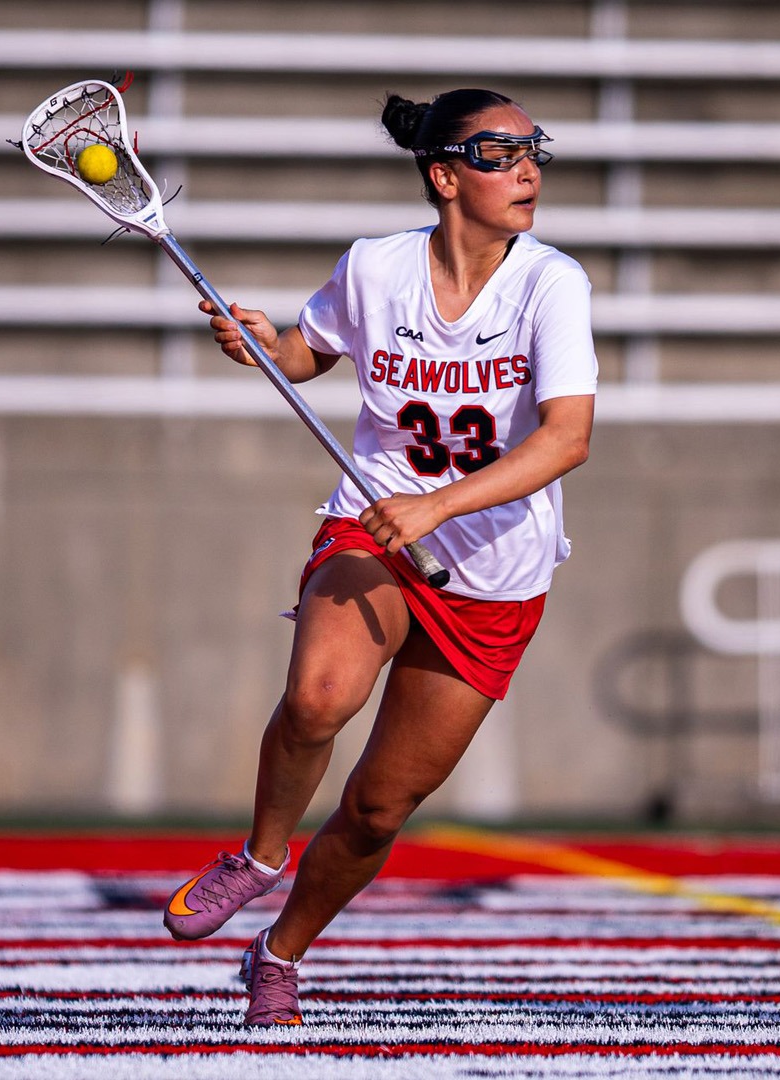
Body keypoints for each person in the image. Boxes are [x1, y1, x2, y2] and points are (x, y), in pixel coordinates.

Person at [159, 88, 597, 1025]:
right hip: (373, 525)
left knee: (377, 810)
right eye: (497, 154)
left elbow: (566, 440)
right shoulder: (375, 267)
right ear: (443, 176)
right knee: (319, 697)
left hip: (496, 573)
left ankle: (278, 954)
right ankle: (260, 855)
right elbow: (309, 352)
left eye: (534, 153)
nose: (526, 170)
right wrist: (261, 343)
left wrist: (437, 504)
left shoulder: (552, 282)